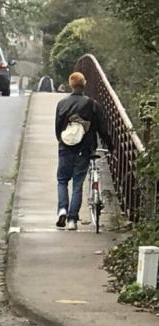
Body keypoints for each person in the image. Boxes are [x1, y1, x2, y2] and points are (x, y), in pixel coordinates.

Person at [54, 72, 112, 230]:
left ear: (70, 84)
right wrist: (110, 147)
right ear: (84, 84)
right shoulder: (93, 105)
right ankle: (72, 220)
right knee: (78, 184)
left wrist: (63, 141)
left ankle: (62, 209)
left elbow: (58, 129)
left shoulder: (62, 104)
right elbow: (102, 130)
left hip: (66, 147)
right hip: (85, 149)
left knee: (62, 180)